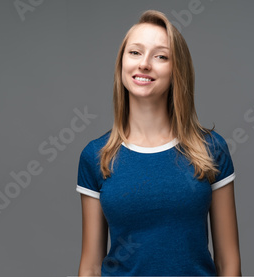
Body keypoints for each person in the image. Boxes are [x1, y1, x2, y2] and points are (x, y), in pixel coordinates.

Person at [76, 10, 242, 276]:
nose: (144, 64)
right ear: (121, 64)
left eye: (161, 56)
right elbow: (91, 266)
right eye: (135, 52)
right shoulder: (97, 156)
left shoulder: (211, 149)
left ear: (177, 70)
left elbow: (228, 262)